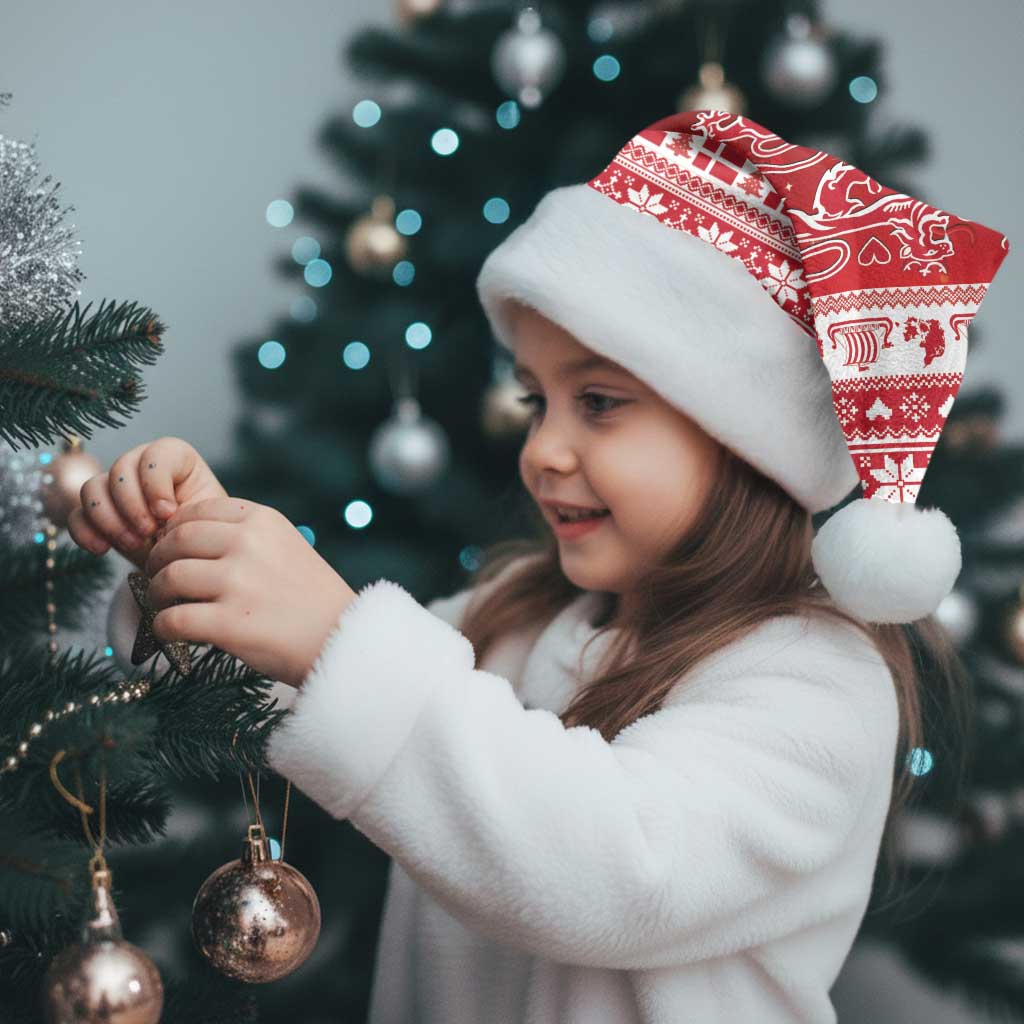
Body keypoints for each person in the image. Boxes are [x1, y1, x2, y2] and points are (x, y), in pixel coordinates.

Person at [74, 110, 1010, 1023]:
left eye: (598, 402)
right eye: (536, 401)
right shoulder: (515, 616)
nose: (543, 450)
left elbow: (615, 871)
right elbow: (305, 691)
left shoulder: (818, 683)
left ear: (746, 441)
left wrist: (335, 635)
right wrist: (191, 564)